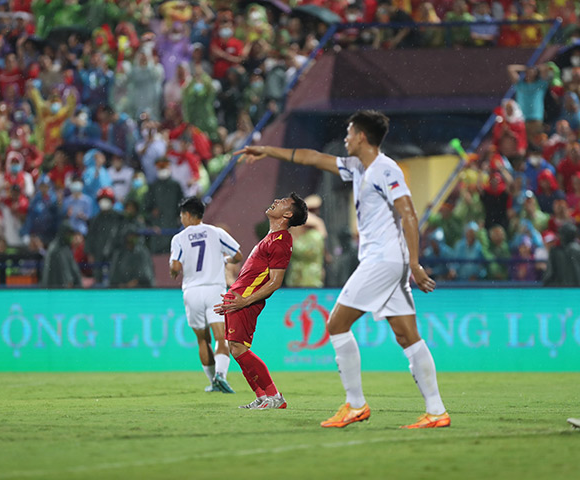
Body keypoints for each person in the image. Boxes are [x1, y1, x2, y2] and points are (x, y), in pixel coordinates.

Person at [236, 110, 449, 428]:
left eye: (349, 134)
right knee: (407, 337)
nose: (345, 139)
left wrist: (415, 263)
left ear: (362, 136)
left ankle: (355, 405)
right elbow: (311, 157)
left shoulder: (385, 169)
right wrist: (268, 151)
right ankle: (436, 412)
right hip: (388, 261)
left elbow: (408, 213)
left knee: (336, 325)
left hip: (382, 260)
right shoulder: (355, 167)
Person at [214, 193, 308, 409]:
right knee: (235, 348)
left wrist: (244, 301)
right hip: (238, 297)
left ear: (287, 214)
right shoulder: (270, 237)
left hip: (245, 300)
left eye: (283, 202)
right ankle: (263, 397)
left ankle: (275, 396)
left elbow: (275, 282)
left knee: (239, 348)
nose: (276, 201)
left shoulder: (282, 241)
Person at [169, 196, 243, 394]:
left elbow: (175, 266)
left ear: (188, 215)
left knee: (203, 340)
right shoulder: (215, 232)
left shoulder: (179, 238)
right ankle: (221, 375)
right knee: (222, 337)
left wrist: (174, 271)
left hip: (192, 291)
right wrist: (222, 260)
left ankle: (213, 383)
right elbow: (238, 255)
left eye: (182, 215)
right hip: (215, 290)